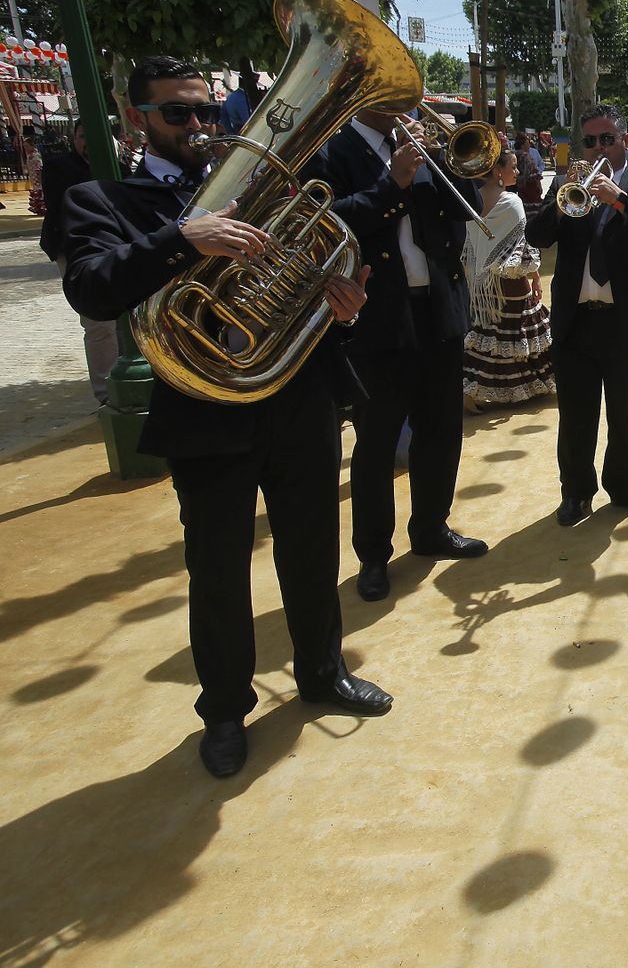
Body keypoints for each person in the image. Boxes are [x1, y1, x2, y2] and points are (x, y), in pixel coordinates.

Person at [57, 55, 391, 777]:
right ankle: (225, 710)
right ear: (136, 118)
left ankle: (321, 671)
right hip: (205, 415)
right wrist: (185, 239)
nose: (199, 125)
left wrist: (341, 310)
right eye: (178, 112)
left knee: (311, 549)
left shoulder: (274, 191)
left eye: (204, 111)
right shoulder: (104, 199)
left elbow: (305, 280)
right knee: (216, 571)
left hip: (296, 400)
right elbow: (91, 286)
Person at [315, 107, 488, 603]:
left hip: (438, 308)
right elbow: (331, 222)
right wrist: (395, 182)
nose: (403, 105)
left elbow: (466, 210)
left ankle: (432, 527)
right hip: (377, 317)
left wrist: (449, 162)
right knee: (377, 441)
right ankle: (373, 555)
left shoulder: (423, 144)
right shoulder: (333, 151)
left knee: (441, 428)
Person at [527, 103, 628, 527]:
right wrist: (560, 203)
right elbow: (536, 236)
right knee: (576, 415)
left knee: (626, 413)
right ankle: (575, 493)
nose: (598, 149)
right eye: (590, 141)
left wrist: (621, 200)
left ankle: (626, 487)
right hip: (577, 321)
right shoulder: (565, 183)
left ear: (624, 141)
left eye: (606, 139)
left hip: (627, 321)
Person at [462, 148, 554, 412]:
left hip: (483, 284)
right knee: (522, 330)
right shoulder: (511, 201)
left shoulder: (473, 199)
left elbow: (471, 245)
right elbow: (521, 247)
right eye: (512, 167)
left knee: (491, 334)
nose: (516, 171)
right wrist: (535, 277)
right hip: (510, 281)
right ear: (496, 171)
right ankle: (534, 382)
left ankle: (473, 389)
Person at [41, 120, 119, 404]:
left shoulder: (119, 164)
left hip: (114, 244)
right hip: (74, 248)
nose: (87, 142)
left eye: (93, 135)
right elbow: (63, 206)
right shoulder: (60, 166)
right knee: (98, 322)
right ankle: (106, 394)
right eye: (82, 136)